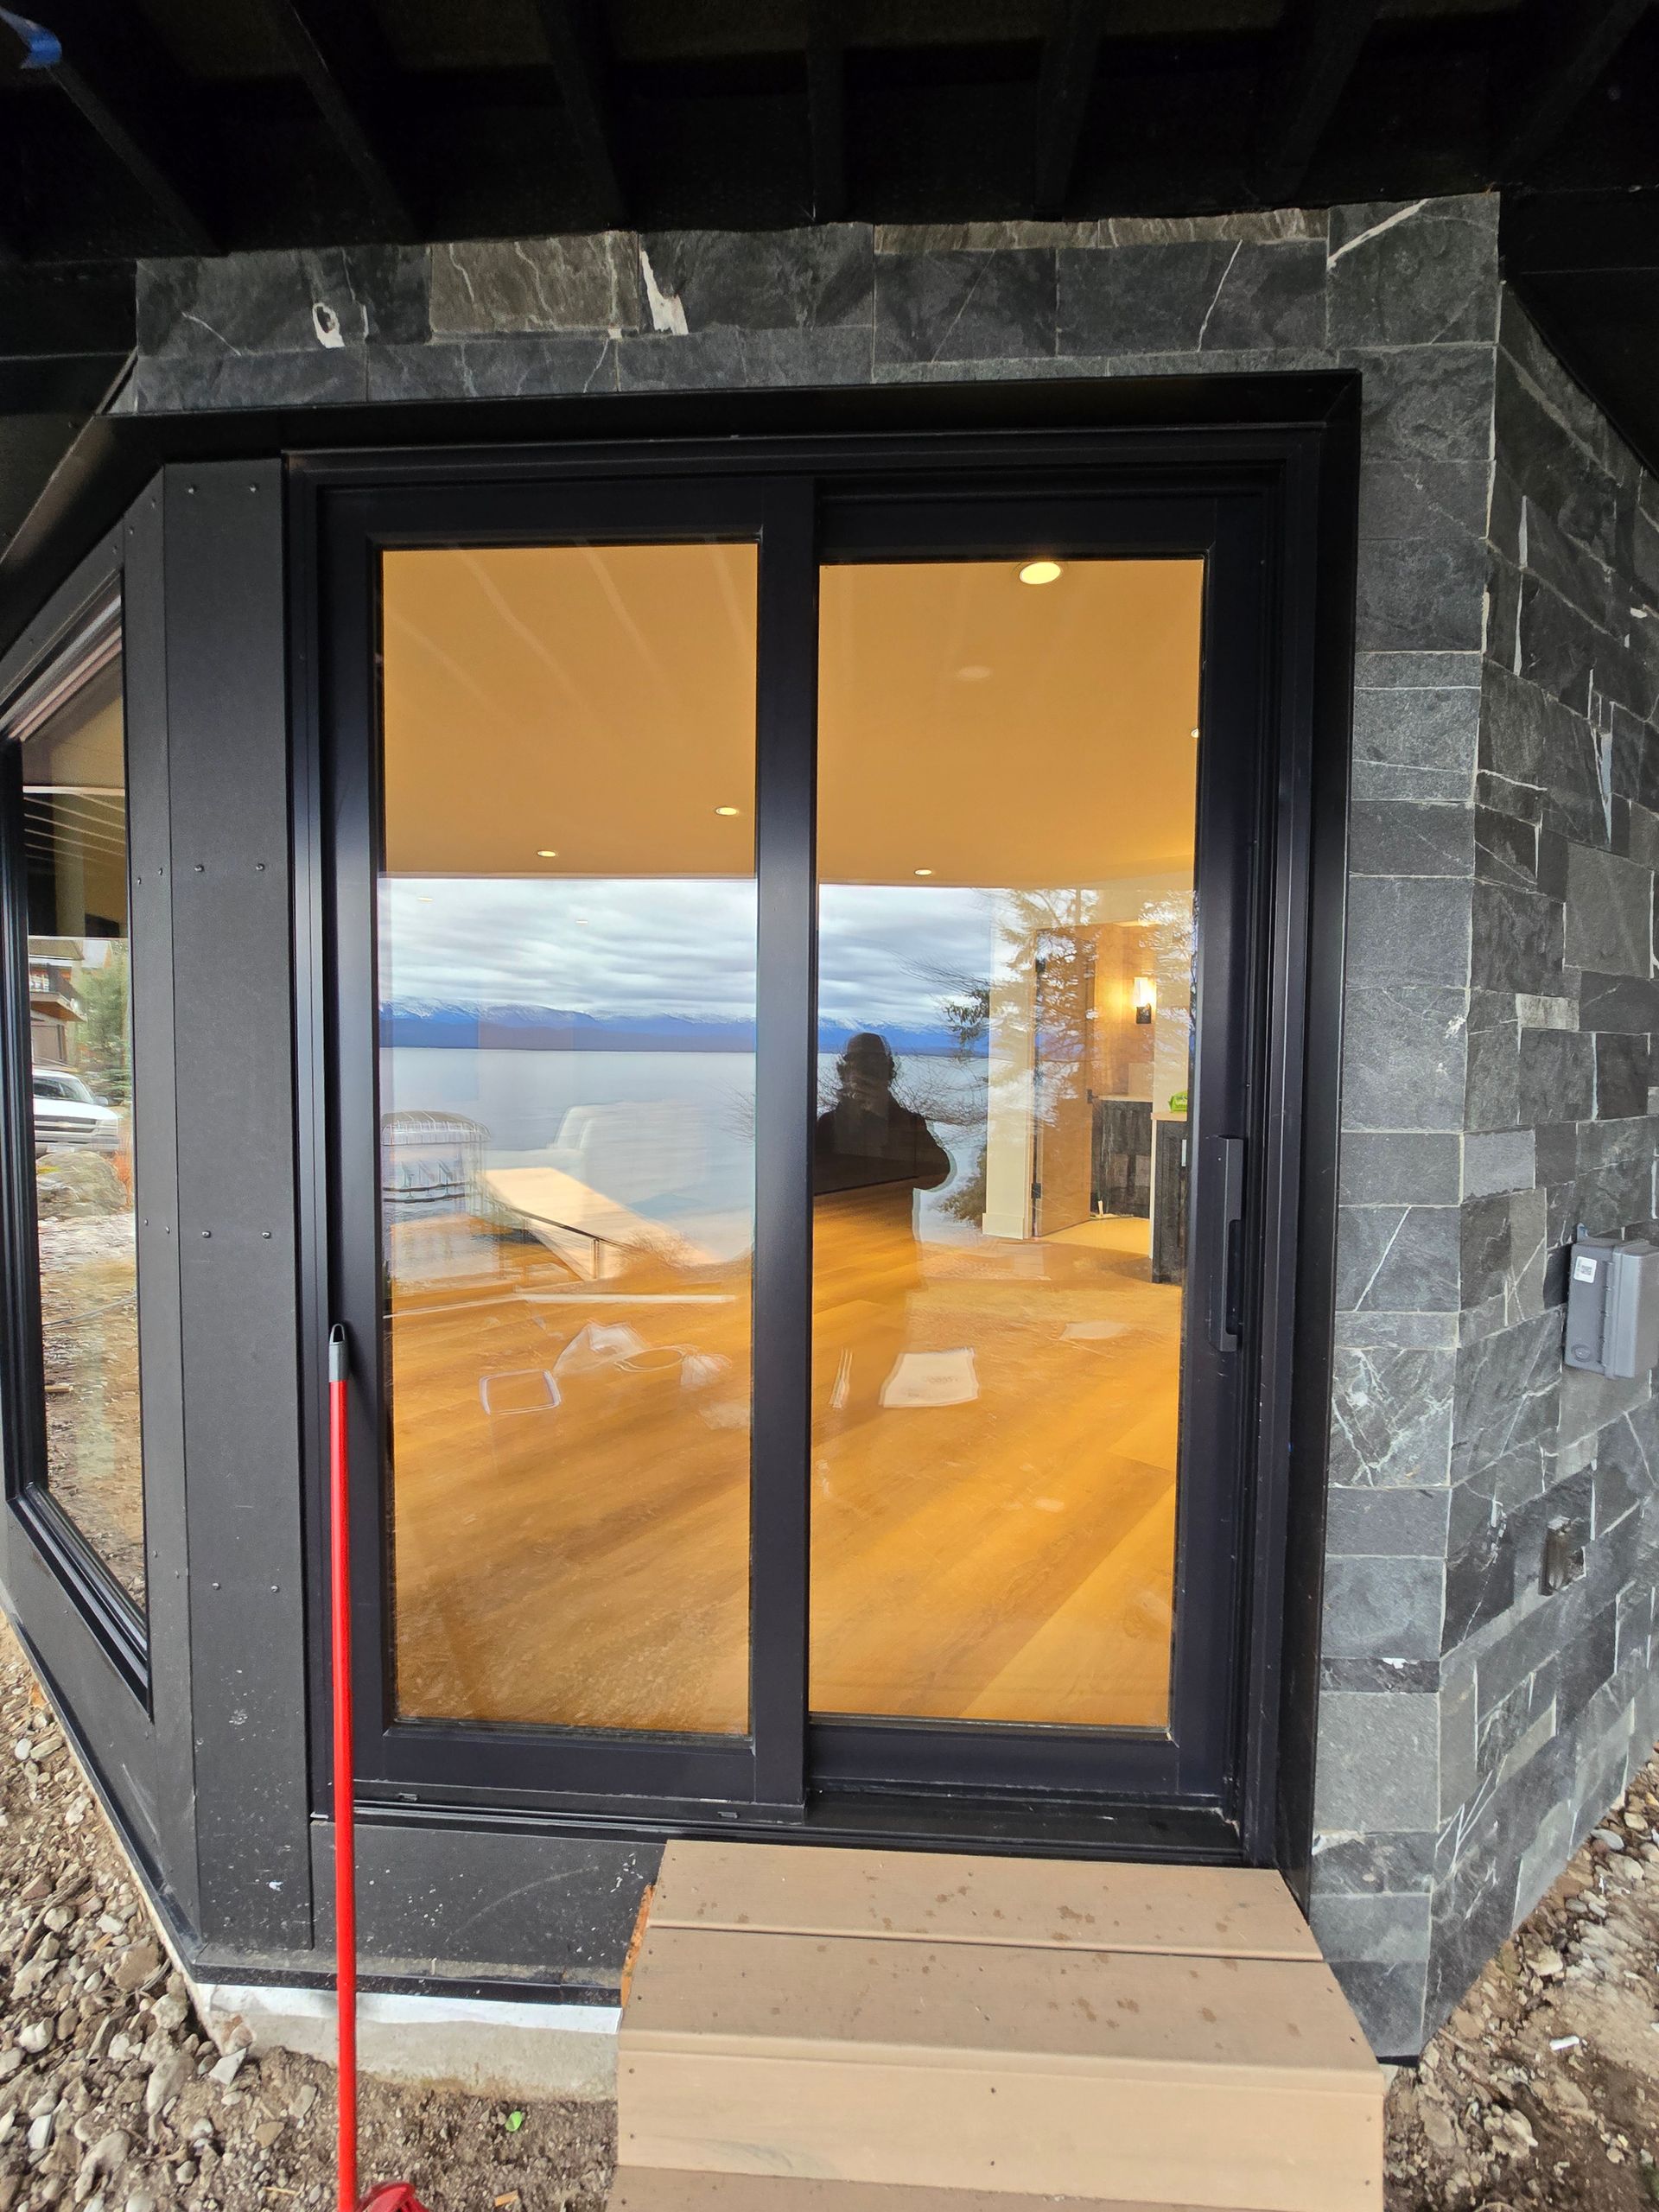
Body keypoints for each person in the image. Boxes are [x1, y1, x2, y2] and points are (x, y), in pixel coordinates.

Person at [812, 1032, 950, 1424]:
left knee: (871, 1379)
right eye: (858, 1070)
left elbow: (935, 1174)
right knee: (817, 1371)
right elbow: (806, 1187)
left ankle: (855, 1459)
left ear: (887, 1075)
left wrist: (887, 1121)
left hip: (882, 1267)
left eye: (872, 1071)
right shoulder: (825, 1127)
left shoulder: (907, 1124)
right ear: (844, 1075)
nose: (864, 1078)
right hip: (832, 1265)